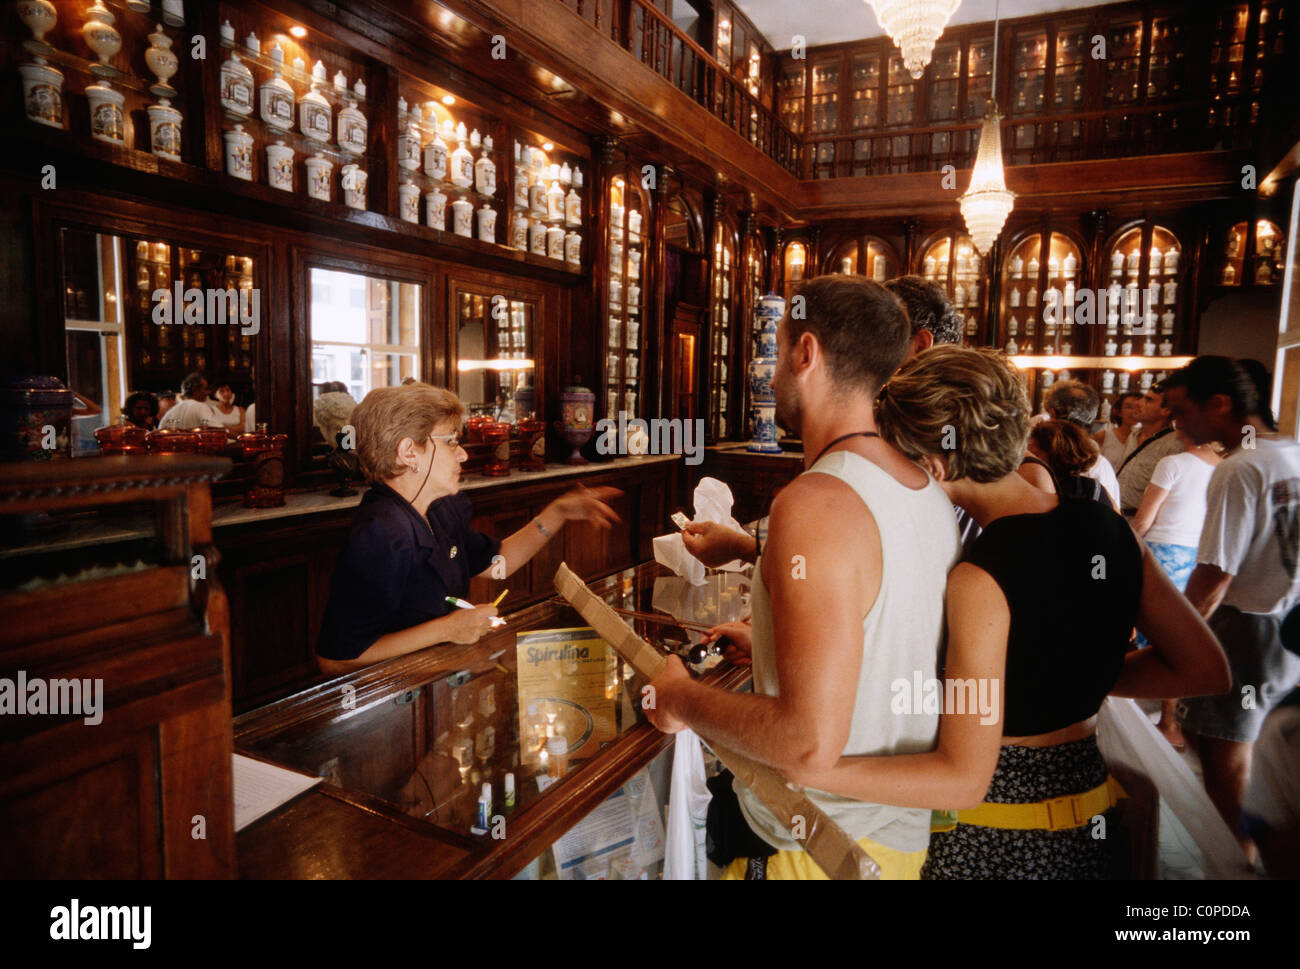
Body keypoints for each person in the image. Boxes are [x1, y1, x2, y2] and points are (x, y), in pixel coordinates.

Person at [780, 345, 1230, 879]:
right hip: (1091, 813)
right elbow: (1204, 668)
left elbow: (961, 777)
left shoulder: (982, 575)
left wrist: (809, 769)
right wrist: (1075, 678)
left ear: (934, 464)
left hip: (999, 838)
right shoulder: (1108, 526)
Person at [645, 275, 961, 880]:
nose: (768, 375)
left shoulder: (815, 500)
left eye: (775, 352)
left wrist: (681, 696)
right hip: (890, 840)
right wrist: (771, 645)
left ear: (806, 353)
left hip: (816, 847)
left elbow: (807, 741)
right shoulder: (924, 487)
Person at [316, 383, 620, 675]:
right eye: (450, 441)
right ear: (409, 452)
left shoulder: (439, 509)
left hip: (441, 683)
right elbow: (335, 660)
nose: (462, 454)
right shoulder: (381, 534)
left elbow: (497, 564)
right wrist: (447, 629)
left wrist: (558, 512)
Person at [1163, 356, 1300, 862]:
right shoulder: (1290, 452)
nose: (1176, 426)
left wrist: (1172, 636)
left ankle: (1238, 862)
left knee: (1224, 753)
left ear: (1219, 404)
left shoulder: (1241, 466)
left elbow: (1216, 573)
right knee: (1247, 744)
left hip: (1247, 624)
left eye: (1180, 413)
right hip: (1285, 625)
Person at [1131, 426, 1222, 747]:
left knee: (1149, 634)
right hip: (1198, 556)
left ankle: (1132, 719)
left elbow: (1143, 520)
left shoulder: (1173, 464)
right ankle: (1170, 722)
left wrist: (1121, 550)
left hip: (1162, 554)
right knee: (1179, 635)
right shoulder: (1225, 468)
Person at [1043, 379, 1121, 508]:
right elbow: (1112, 516)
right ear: (1092, 415)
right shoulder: (1099, 464)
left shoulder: (1038, 455)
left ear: (1052, 413)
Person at [1116, 382, 1184, 516]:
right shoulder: (1133, 435)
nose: (1138, 403)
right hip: (1119, 516)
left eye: (1148, 400)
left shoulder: (1175, 444)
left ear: (1166, 410)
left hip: (1143, 521)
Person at [1027, 419, 1113, 507]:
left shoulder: (1060, 494)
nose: (1029, 459)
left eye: (1035, 455)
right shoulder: (1093, 487)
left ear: (1061, 457)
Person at [1096, 391, 1143, 468]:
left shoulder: (1146, 440)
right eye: (1129, 407)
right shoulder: (1103, 436)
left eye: (1138, 407)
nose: (1134, 411)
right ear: (1119, 412)